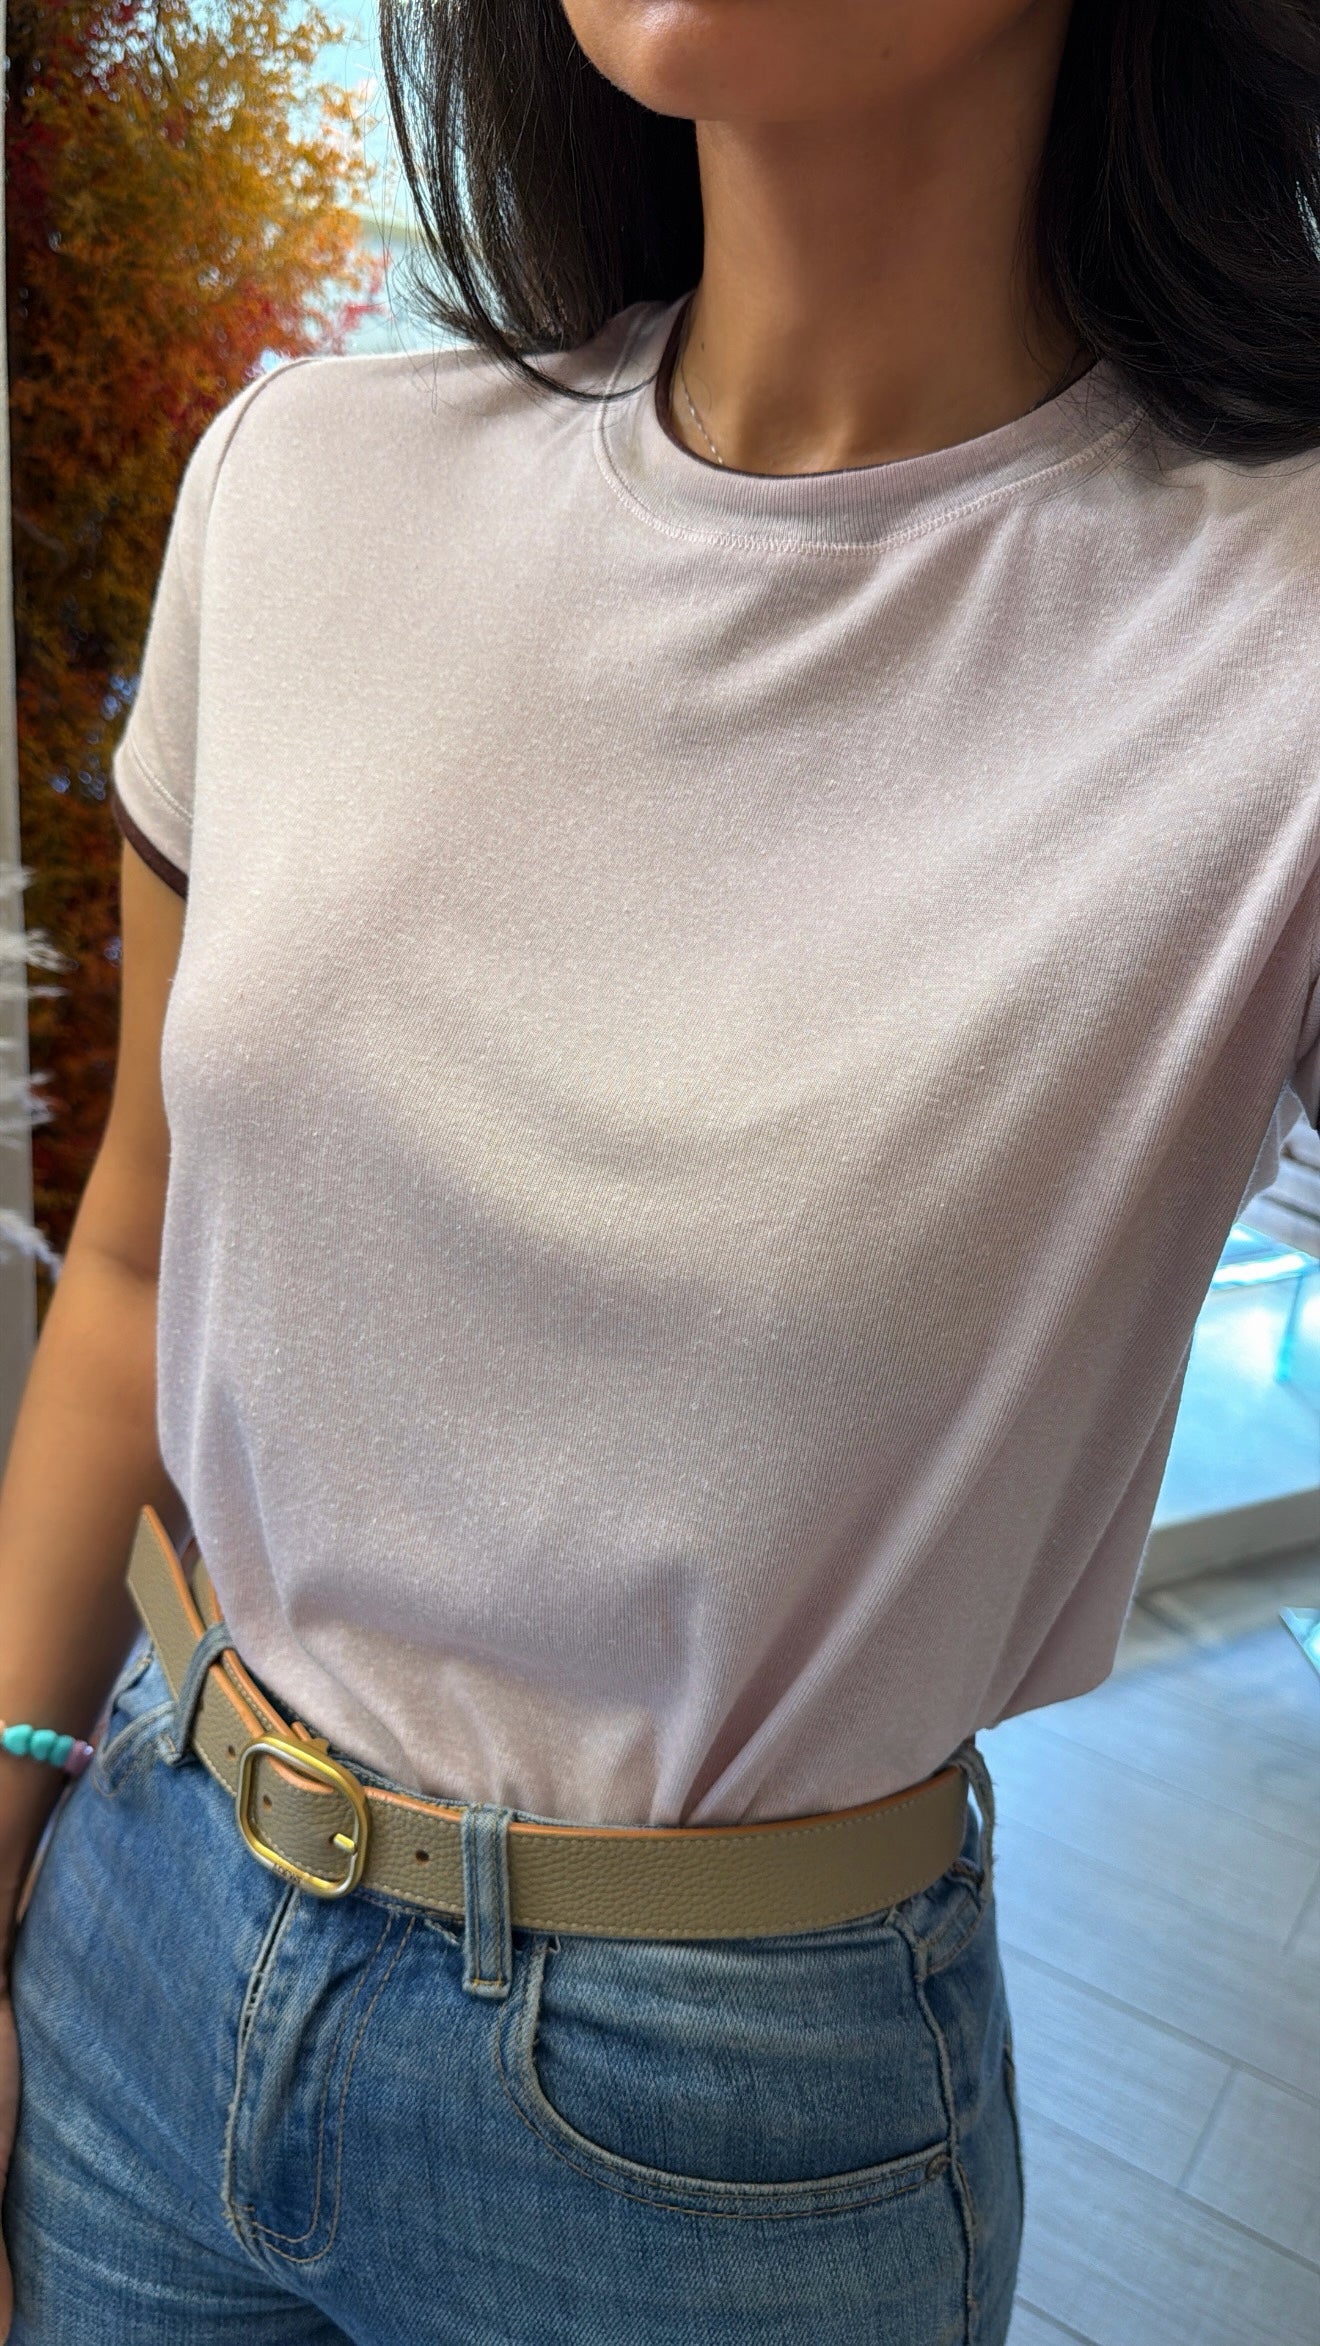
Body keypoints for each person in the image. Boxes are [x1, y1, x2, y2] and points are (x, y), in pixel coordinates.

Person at [2, 0, 1319, 2337]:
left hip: (723, 2143)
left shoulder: (1270, 634)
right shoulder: (310, 485)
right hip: (145, 1904)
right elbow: (133, 1258)